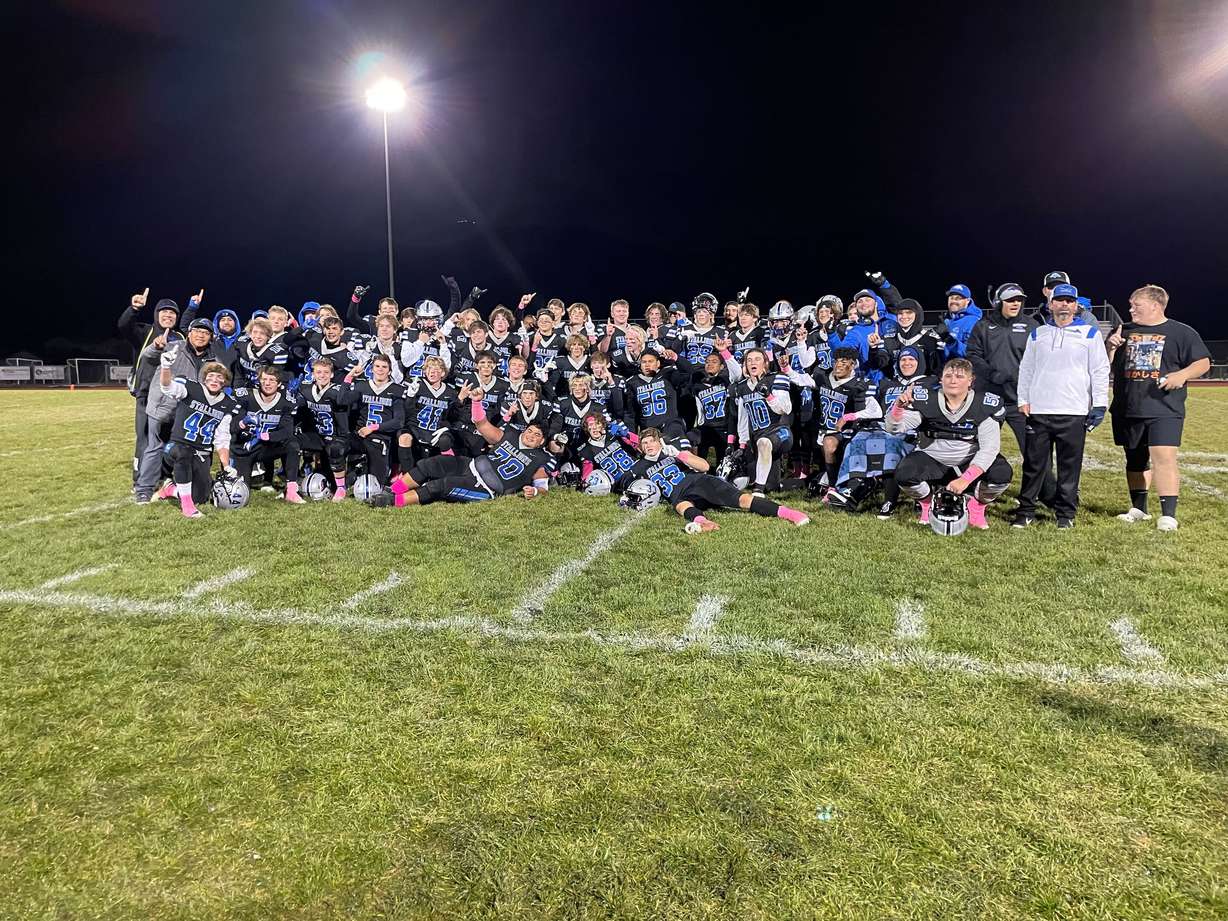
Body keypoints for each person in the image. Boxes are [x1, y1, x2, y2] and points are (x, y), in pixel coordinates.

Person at [1106, 284, 1211, 531]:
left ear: (1155, 305)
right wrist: (1110, 346)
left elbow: (1203, 362)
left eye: (1136, 304)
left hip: (1164, 407)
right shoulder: (1123, 330)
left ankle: (1168, 515)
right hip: (1128, 405)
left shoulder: (1181, 332)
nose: (1131, 309)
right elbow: (1105, 364)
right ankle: (1139, 508)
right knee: (1134, 458)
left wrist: (1182, 375)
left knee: (1164, 457)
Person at [1013, 284, 1110, 528]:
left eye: (1069, 301)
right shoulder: (1038, 334)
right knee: (1034, 466)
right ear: (1051, 304)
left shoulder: (1089, 333)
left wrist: (1099, 404)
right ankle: (1025, 512)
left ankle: (1065, 515)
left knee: (1069, 468)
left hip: (1074, 412)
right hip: (1040, 411)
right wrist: (1023, 399)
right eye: (1060, 300)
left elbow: (1099, 370)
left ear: (1076, 305)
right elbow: (1026, 369)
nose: (1064, 305)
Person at [376, 382, 554, 506]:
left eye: (536, 434)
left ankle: (394, 502)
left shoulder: (539, 459)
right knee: (431, 464)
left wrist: (536, 492)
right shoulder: (509, 434)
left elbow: (542, 488)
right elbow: (481, 424)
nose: (531, 435)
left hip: (485, 489)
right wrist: (476, 402)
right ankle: (393, 491)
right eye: (530, 430)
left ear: (541, 441)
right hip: (470, 465)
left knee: (440, 486)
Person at [885, 358, 1013, 529]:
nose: (953, 380)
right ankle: (927, 503)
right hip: (933, 458)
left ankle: (977, 505)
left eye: (960, 377)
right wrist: (898, 407)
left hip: (969, 458)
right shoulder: (926, 400)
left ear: (970, 381)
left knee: (1002, 474)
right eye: (948, 376)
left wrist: (966, 479)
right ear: (941, 379)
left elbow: (990, 448)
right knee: (905, 474)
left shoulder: (984, 404)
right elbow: (894, 428)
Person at [967, 283, 1055, 508]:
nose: (1015, 303)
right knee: (977, 447)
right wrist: (990, 374)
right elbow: (973, 355)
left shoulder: (1032, 326)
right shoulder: (983, 326)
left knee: (1034, 452)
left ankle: (1047, 496)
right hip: (989, 400)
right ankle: (973, 490)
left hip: (1020, 402)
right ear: (999, 302)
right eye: (1010, 300)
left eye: (1019, 299)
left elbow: (1042, 359)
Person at [627, 428, 810, 532]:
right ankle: (703, 522)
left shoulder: (673, 453)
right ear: (641, 448)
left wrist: (682, 456)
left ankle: (789, 513)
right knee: (681, 506)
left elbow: (705, 466)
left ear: (660, 442)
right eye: (644, 443)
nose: (649, 445)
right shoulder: (639, 467)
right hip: (677, 495)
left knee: (742, 500)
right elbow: (630, 487)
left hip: (697, 482)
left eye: (652, 441)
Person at [135, 318, 221, 504]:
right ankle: (144, 489)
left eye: (205, 333)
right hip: (163, 407)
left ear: (211, 337)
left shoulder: (212, 358)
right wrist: (156, 347)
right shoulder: (172, 346)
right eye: (197, 331)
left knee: (184, 451)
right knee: (155, 448)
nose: (201, 335)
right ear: (189, 333)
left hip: (188, 414)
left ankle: (175, 482)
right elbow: (148, 357)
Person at [156, 356, 242, 518]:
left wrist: (226, 465)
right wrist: (165, 367)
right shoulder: (191, 388)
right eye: (211, 376)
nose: (214, 380)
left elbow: (222, 438)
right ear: (204, 378)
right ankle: (187, 507)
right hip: (176, 446)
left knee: (200, 497)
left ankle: (171, 489)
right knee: (184, 452)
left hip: (201, 452)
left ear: (225, 382)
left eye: (219, 377)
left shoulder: (228, 404)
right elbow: (166, 387)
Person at [120, 290, 184, 486]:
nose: (168, 315)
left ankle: (163, 477)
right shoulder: (144, 331)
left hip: (171, 396)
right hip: (147, 395)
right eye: (164, 311)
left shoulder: (180, 336)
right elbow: (124, 326)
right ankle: (140, 480)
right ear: (157, 314)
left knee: (168, 438)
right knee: (146, 438)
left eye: (172, 313)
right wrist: (134, 309)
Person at [231, 366, 305, 502]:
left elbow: (287, 432)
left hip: (268, 446)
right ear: (259, 381)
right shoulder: (247, 397)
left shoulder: (285, 402)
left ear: (279, 384)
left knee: (292, 445)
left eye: (272, 380)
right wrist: (243, 423)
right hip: (246, 447)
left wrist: (267, 436)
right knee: (241, 492)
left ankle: (291, 490)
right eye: (264, 379)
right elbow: (232, 428)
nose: (267, 383)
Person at [730, 348, 793, 495]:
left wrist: (768, 396)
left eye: (757, 359)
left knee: (764, 443)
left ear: (765, 363)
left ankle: (758, 491)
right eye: (749, 360)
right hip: (757, 436)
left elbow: (785, 409)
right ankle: (799, 483)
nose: (753, 362)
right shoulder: (742, 387)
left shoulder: (777, 378)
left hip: (780, 431)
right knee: (772, 486)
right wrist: (743, 443)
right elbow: (743, 417)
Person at [296, 358, 354, 501]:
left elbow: (343, 400)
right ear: (313, 374)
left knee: (334, 449)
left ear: (332, 374)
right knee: (291, 442)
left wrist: (348, 379)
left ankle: (341, 488)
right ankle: (292, 483)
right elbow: (296, 409)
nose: (322, 375)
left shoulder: (337, 391)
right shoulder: (306, 390)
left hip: (338, 436)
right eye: (318, 372)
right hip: (318, 436)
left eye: (326, 372)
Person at [934, 284, 984, 360]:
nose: (953, 301)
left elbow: (974, 353)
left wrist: (951, 342)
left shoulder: (974, 322)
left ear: (967, 301)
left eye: (958, 298)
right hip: (944, 368)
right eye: (951, 298)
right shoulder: (946, 319)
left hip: (963, 369)